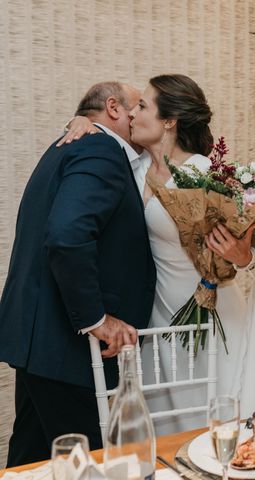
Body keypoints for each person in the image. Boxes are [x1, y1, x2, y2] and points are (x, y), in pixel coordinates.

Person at [0, 81, 156, 466]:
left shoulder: (68, 146)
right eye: (135, 107)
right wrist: (96, 319)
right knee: (92, 465)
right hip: (69, 349)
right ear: (114, 108)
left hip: (41, 342)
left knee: (32, 460)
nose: (137, 117)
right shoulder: (101, 150)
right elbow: (67, 237)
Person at [128, 74, 255, 434]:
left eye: (142, 106)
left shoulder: (203, 173)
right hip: (162, 314)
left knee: (222, 420)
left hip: (214, 313)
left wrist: (242, 255)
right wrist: (78, 122)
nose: (131, 113)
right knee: (171, 422)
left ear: (169, 120)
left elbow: (246, 245)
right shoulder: (135, 167)